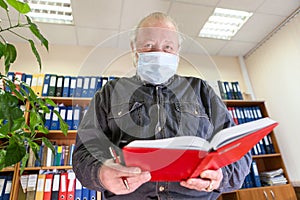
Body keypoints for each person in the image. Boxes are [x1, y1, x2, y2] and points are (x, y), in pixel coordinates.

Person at [73, 12, 252, 200]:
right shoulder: (109, 93)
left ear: (177, 52)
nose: (158, 54)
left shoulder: (201, 91)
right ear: (134, 48)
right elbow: (83, 154)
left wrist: (220, 176)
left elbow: (238, 152)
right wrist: (100, 174)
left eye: (167, 47)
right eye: (149, 46)